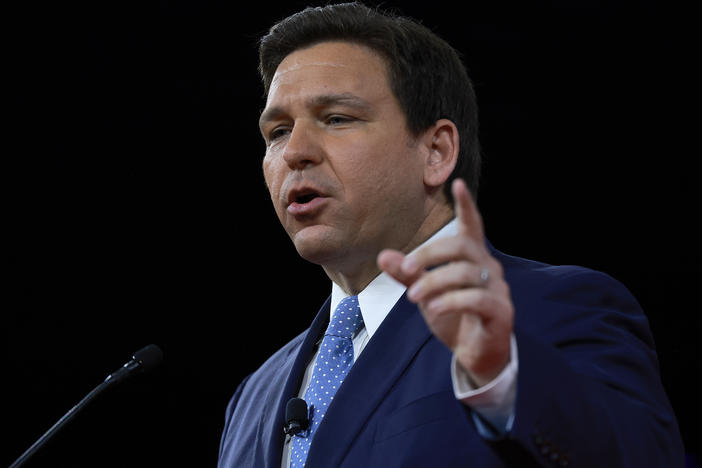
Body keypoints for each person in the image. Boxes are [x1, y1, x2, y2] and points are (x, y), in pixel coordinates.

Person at [218, 2, 684, 467]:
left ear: (436, 151)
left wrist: (503, 376)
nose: (294, 151)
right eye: (278, 131)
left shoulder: (553, 310)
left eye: (337, 118)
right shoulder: (255, 395)